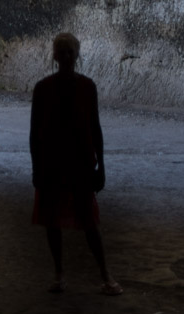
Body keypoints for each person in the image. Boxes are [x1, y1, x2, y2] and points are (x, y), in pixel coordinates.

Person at [29, 32, 122, 295]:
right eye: (62, 51)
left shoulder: (86, 87)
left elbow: (95, 128)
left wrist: (101, 166)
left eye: (70, 51)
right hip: (52, 163)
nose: (66, 56)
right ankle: (60, 274)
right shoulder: (43, 89)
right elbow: (35, 132)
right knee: (52, 220)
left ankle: (105, 275)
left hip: (79, 163)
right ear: (55, 56)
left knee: (88, 221)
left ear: (76, 55)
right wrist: (36, 167)